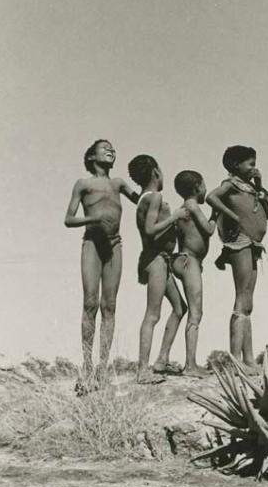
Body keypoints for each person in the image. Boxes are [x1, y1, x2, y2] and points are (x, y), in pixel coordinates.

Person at [64, 139, 139, 394]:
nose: (111, 150)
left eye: (113, 148)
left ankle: (103, 368)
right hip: (92, 244)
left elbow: (140, 199)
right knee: (90, 303)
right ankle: (86, 365)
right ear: (92, 156)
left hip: (115, 245)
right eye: (104, 147)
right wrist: (94, 218)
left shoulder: (117, 183)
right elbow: (69, 218)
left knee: (110, 305)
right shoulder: (83, 184)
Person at [206, 145, 268, 376]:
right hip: (240, 242)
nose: (254, 167)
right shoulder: (231, 184)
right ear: (235, 165)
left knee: (248, 304)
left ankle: (249, 359)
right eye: (250, 163)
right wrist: (233, 216)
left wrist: (259, 185)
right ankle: (236, 360)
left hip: (253, 244)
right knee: (241, 300)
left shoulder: (251, 187)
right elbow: (211, 197)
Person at [127, 154, 188, 384]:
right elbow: (151, 229)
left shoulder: (143, 197)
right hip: (155, 260)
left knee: (180, 308)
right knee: (153, 314)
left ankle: (162, 359)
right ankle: (143, 370)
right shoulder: (154, 197)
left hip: (160, 259)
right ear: (155, 172)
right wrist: (175, 217)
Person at [171, 171, 217, 378]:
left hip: (189, 261)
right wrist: (215, 214)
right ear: (198, 186)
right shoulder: (191, 206)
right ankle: (190, 365)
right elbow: (208, 230)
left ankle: (189, 362)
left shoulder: (183, 208)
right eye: (204, 185)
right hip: (190, 261)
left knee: (193, 312)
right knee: (196, 313)